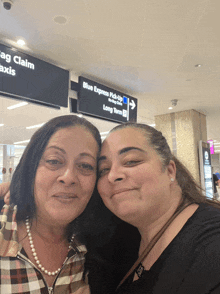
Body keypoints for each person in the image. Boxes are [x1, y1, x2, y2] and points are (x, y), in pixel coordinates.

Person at [0, 114, 118, 294]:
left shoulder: (99, 245)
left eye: (85, 165)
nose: (68, 177)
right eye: (54, 161)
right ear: (31, 168)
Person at [97, 122, 220, 294]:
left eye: (131, 161)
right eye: (103, 169)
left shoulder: (212, 244)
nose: (112, 175)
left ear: (170, 171)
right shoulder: (122, 244)